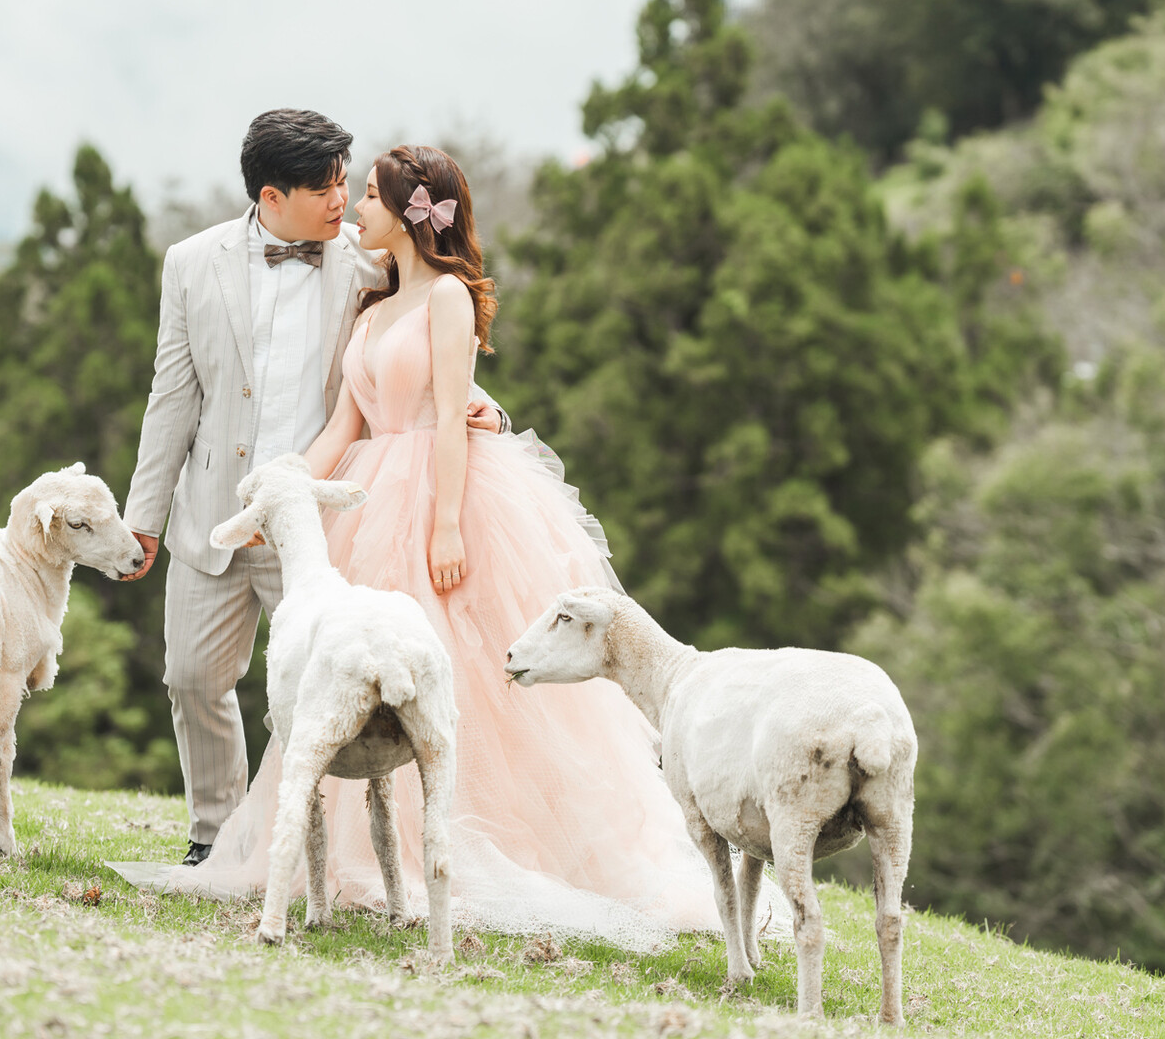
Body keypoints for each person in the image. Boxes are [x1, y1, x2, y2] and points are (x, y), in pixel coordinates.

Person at [139, 143, 753, 946]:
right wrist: (278, 495)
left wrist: (447, 524)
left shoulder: (450, 298)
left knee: (466, 674)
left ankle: (469, 845)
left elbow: (455, 418)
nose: (356, 208)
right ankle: (355, 855)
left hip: (442, 493)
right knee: (352, 681)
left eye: (368, 195)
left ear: (409, 212)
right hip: (368, 499)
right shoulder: (371, 307)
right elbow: (343, 427)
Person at [120, 111, 502, 867]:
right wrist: (144, 517)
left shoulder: (367, 262)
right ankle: (215, 836)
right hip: (214, 512)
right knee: (192, 679)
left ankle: (304, 846)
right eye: (325, 189)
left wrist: (485, 409)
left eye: (347, 185)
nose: (341, 202)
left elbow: (425, 350)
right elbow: (171, 399)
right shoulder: (189, 264)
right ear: (272, 196)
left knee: (327, 690)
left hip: (326, 521)